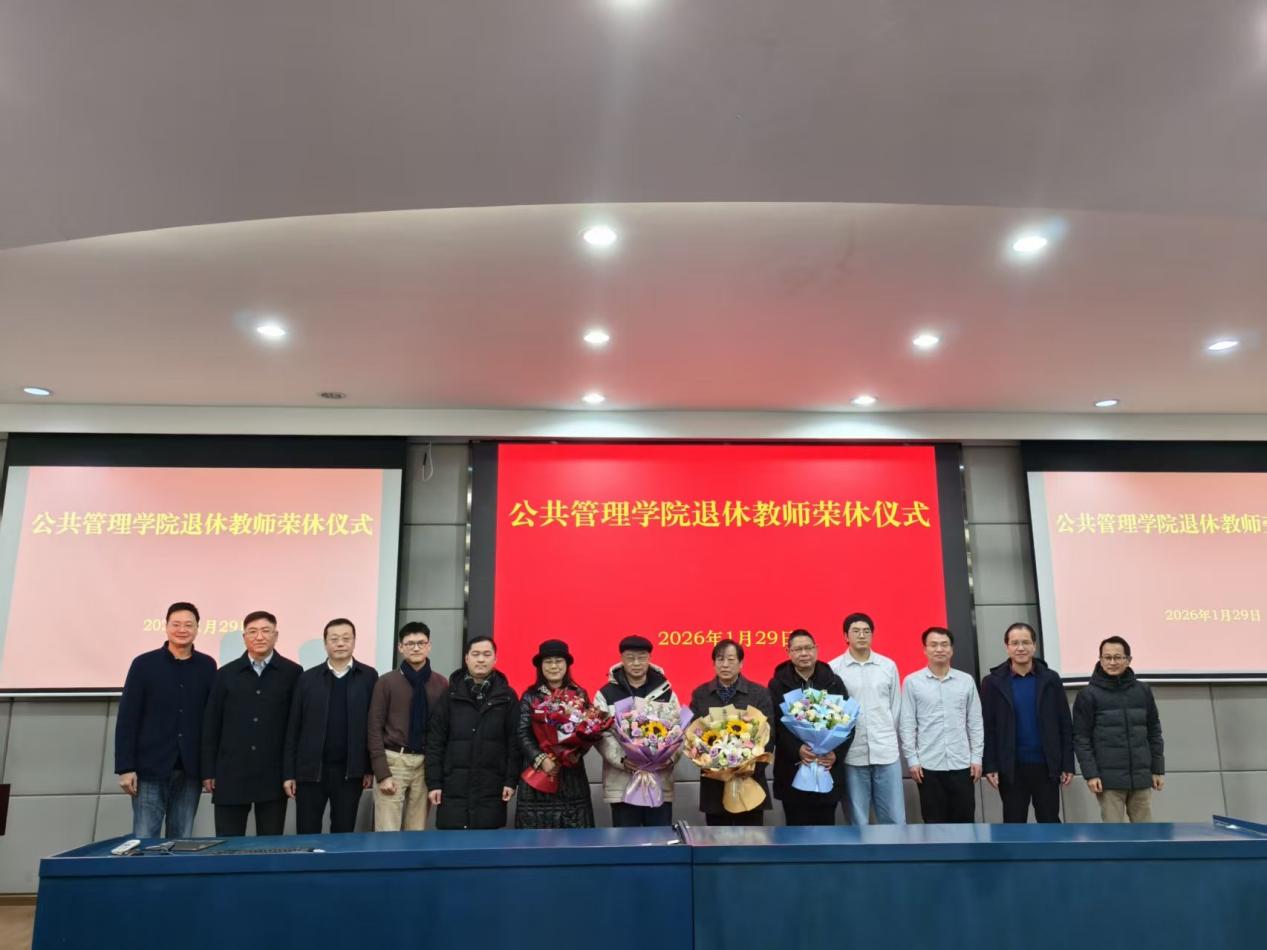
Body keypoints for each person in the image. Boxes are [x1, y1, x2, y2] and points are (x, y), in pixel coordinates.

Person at [115, 601, 217, 838]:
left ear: (197, 628)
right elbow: (128, 718)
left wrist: (209, 769)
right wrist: (125, 768)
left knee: (181, 839)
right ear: (166, 626)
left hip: (190, 770)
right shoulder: (143, 664)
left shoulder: (207, 666)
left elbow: (212, 721)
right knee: (145, 838)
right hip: (149, 768)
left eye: (188, 625)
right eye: (176, 624)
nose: (182, 629)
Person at [201, 610, 302, 836]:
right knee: (228, 844)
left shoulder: (292, 673)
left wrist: (291, 772)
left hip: (273, 774)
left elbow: (295, 728)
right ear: (244, 637)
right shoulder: (225, 674)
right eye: (253, 631)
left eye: (266, 631)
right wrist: (208, 771)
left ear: (276, 635)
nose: (259, 636)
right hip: (231, 772)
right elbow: (211, 725)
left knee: (270, 844)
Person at [282, 618, 379, 833]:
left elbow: (373, 726)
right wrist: (289, 773)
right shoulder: (307, 678)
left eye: (346, 638)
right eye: (334, 639)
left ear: (354, 641)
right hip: (310, 772)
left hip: (350, 772)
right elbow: (293, 728)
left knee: (343, 832)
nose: (340, 643)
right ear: (325, 643)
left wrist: (368, 768)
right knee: (307, 832)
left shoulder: (368, 676)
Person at [981, 622, 1074, 823]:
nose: (1020, 648)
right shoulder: (992, 682)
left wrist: (1067, 763)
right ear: (1007, 647)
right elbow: (988, 728)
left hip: (1046, 765)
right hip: (1011, 767)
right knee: (1014, 823)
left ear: (1034, 646)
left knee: (1049, 820)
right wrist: (990, 765)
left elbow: (1065, 724)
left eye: (1026, 642)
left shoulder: (1051, 679)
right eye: (1015, 643)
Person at [425, 637, 518, 829]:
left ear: (495, 659)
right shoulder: (449, 695)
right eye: (475, 654)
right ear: (466, 658)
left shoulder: (507, 696)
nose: (481, 659)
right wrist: (434, 783)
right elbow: (435, 742)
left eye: (487, 654)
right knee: (453, 843)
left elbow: (514, 743)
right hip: (453, 788)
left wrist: (511, 780)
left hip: (492, 787)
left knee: (488, 842)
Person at [1072, 636, 1165, 823]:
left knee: (1146, 833)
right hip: (1108, 781)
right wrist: (1091, 774)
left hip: (1141, 777)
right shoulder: (1088, 695)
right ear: (1100, 660)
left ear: (1128, 660)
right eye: (1107, 657)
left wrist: (1157, 769)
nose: (1112, 662)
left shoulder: (1143, 691)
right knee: (1114, 833)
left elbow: (1154, 732)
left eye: (1118, 657)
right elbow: (1081, 738)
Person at [367, 622, 449, 831]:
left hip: (425, 763)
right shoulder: (386, 682)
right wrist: (382, 773)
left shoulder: (441, 683)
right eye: (410, 643)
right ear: (400, 647)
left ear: (429, 646)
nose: (416, 648)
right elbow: (374, 728)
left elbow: (443, 730)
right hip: (394, 760)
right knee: (387, 832)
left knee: (417, 831)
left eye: (421, 643)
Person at [593, 635, 682, 827]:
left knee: (660, 839)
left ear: (649, 658)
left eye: (641, 657)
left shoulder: (666, 691)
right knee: (626, 841)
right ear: (621, 659)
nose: (636, 663)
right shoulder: (605, 694)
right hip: (622, 782)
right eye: (630, 658)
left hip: (659, 780)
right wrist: (622, 759)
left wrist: (669, 758)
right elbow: (601, 734)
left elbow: (678, 730)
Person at [898, 626, 984, 823]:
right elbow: (907, 724)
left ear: (951, 649)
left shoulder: (966, 681)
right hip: (928, 766)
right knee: (934, 824)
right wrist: (912, 760)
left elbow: (975, 722)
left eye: (944, 644)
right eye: (933, 645)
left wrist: (977, 757)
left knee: (965, 823)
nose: (939, 649)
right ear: (925, 649)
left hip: (962, 764)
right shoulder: (912, 682)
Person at [768, 630, 853, 826]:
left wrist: (835, 754)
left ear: (816, 649)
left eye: (808, 648)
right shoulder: (777, 684)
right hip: (792, 769)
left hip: (827, 767)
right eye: (798, 649)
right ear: (788, 652)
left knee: (826, 830)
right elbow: (775, 726)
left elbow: (848, 722)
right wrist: (797, 749)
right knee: (796, 831)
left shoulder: (834, 681)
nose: (804, 653)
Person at [829, 612, 905, 825]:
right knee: (857, 819)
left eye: (866, 631)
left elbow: (895, 707)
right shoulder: (834, 668)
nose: (861, 635)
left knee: (894, 817)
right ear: (846, 636)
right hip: (852, 753)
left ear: (872, 635)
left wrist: (886, 733)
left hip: (886, 751)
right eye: (856, 631)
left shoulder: (887, 666)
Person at [689, 639, 775, 826]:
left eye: (730, 659)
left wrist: (748, 768)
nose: (725, 665)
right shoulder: (701, 694)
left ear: (741, 663)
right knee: (717, 840)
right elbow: (694, 735)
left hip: (750, 780)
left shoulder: (759, 693)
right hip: (715, 784)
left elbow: (769, 736)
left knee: (752, 840)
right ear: (714, 663)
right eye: (720, 659)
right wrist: (711, 765)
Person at [513, 639, 596, 829]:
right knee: (536, 841)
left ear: (566, 665)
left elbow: (589, 730)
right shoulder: (530, 696)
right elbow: (522, 733)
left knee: (575, 840)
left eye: (558, 661)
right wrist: (542, 758)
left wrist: (575, 753)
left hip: (572, 779)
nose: (553, 666)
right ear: (540, 666)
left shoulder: (580, 694)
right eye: (548, 662)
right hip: (538, 779)